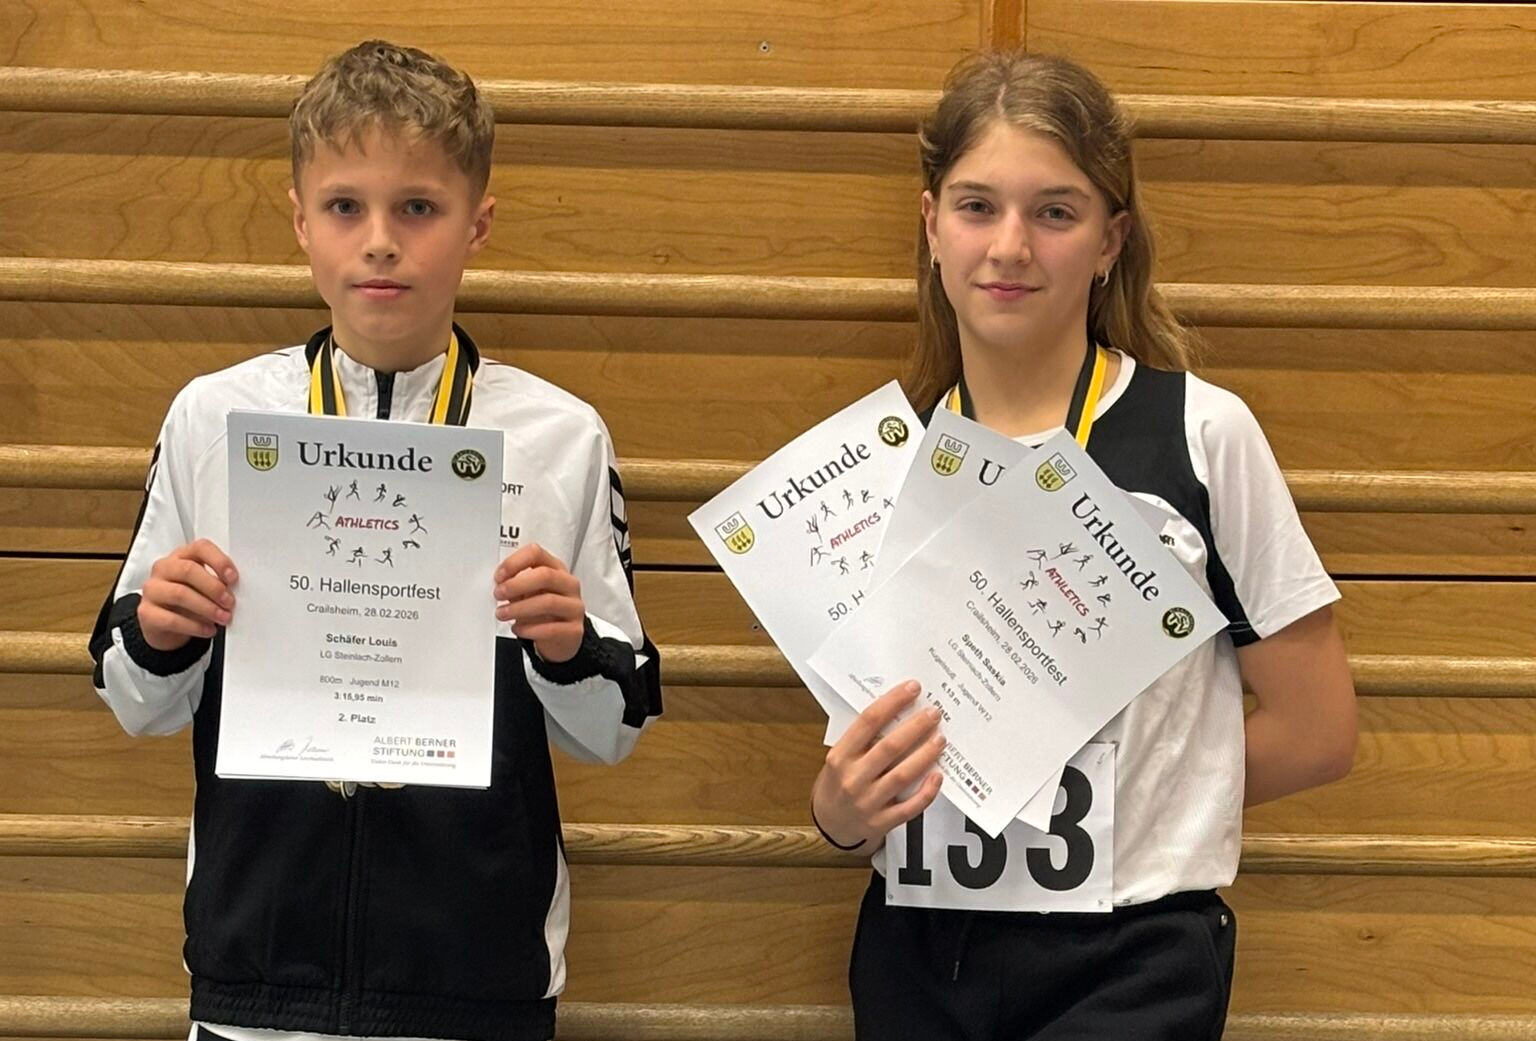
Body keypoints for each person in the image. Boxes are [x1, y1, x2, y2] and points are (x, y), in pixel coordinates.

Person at [88, 40, 661, 1041]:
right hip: (257, 984)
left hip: (473, 988)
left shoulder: (560, 438)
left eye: (419, 207)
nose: (381, 242)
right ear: (300, 221)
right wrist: (160, 634)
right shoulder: (213, 421)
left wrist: (569, 649)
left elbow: (616, 724)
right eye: (346, 206)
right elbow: (132, 699)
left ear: (478, 223)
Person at [809, 51, 1356, 1039]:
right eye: (977, 207)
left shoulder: (1199, 435)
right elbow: (859, 771)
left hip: (1131, 958)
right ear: (931, 225)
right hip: (917, 947)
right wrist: (839, 811)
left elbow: (1318, 732)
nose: (1010, 246)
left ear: (1111, 239)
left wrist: (1143, 800)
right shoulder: (872, 473)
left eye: (1054, 212)